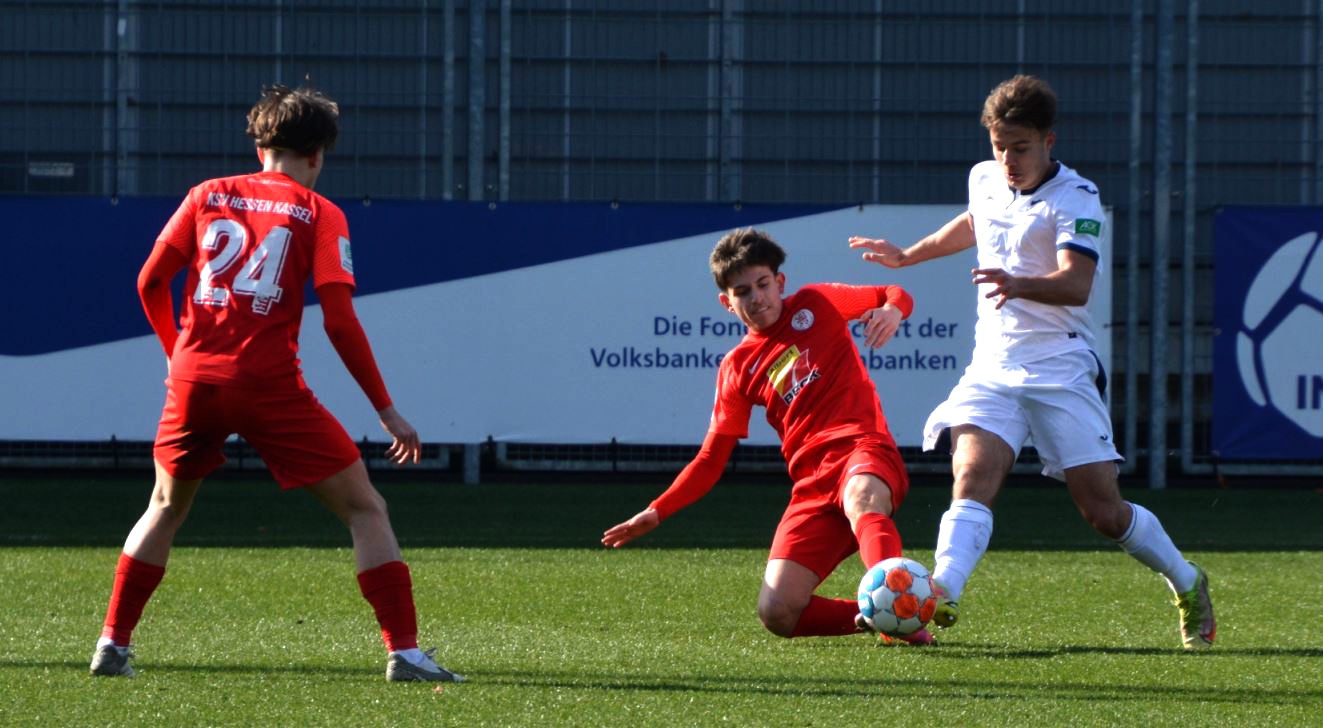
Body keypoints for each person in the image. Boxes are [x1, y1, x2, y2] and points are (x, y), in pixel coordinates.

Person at [89, 85, 465, 681]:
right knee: (366, 508)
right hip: (266, 384)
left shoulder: (206, 194)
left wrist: (174, 352)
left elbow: (149, 282)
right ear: (317, 153)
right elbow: (339, 322)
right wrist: (386, 410)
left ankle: (112, 643)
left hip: (193, 379)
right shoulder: (320, 212)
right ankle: (405, 653)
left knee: (163, 506)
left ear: (261, 146)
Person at [848, 74, 1215, 650]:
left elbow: (1076, 282)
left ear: (1049, 140)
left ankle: (1187, 580)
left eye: (1020, 148)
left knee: (1103, 512)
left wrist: (1018, 283)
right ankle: (940, 593)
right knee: (970, 476)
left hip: (1060, 363)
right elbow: (976, 220)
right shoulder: (985, 178)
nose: (1007, 160)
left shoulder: (1077, 198)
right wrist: (908, 255)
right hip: (993, 362)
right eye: (999, 146)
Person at [603, 227, 929, 644]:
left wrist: (894, 311)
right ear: (727, 302)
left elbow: (893, 292)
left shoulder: (817, 302)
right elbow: (710, 460)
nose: (756, 298)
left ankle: (903, 618)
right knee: (777, 611)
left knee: (862, 496)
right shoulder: (737, 368)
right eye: (742, 292)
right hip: (811, 485)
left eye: (762, 284)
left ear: (780, 282)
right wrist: (657, 510)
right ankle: (882, 614)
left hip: (862, 450)